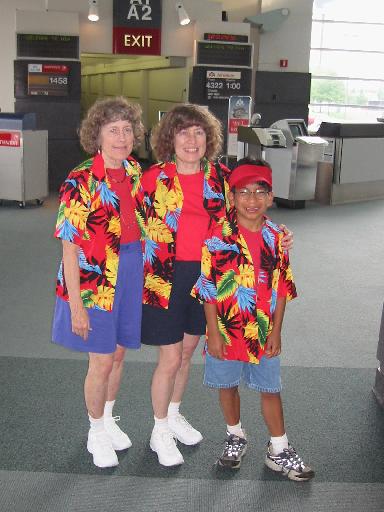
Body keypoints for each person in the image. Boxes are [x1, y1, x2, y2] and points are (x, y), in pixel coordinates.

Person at [135, 105, 293, 467]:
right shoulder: (152, 179)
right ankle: (159, 429)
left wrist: (280, 233)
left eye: (198, 133)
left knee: (188, 354)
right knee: (170, 356)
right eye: (183, 133)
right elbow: (131, 228)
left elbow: (249, 211)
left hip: (212, 280)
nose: (191, 141)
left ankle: (174, 414)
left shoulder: (222, 177)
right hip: (165, 277)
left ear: (209, 138)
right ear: (169, 139)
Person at [192, 158, 314, 481]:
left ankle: (279, 448)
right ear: (232, 197)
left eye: (260, 192)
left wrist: (276, 331)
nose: (251, 200)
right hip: (226, 330)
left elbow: (283, 287)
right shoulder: (217, 236)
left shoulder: (277, 237)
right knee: (227, 384)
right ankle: (235, 435)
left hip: (262, 332)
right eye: (243, 192)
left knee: (270, 388)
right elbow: (207, 287)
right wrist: (213, 333)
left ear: (271, 197)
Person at [52, 97, 144, 468]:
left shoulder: (136, 171)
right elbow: (69, 248)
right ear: (98, 135)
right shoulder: (79, 180)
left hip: (132, 273)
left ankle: (106, 419)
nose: (121, 138)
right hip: (94, 282)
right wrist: (77, 305)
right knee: (101, 360)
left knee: (119, 354)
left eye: (127, 130)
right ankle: (94, 430)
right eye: (113, 130)